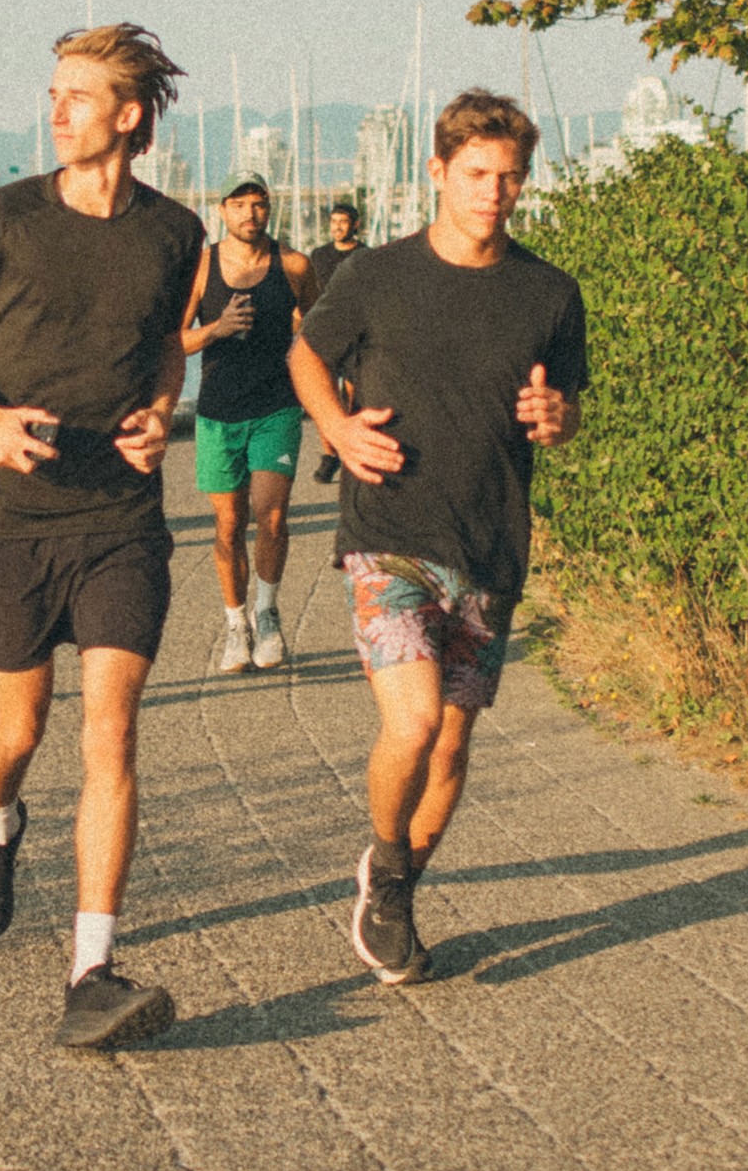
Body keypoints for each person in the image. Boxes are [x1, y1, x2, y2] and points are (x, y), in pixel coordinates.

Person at [0, 22, 202, 1052]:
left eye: (77, 93)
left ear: (129, 114)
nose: (56, 107)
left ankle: (92, 969)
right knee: (17, 734)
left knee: (109, 730)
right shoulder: (2, 219)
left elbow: (166, 348)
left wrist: (165, 411)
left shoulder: (175, 233)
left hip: (120, 516)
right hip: (15, 520)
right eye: (54, 90)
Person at [288, 91, 585, 985]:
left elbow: (562, 410)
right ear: (437, 173)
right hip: (389, 534)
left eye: (510, 177)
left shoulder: (549, 293)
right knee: (413, 726)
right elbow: (306, 351)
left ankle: (397, 883)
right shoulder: (377, 275)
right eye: (477, 175)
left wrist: (556, 418)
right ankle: (385, 863)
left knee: (453, 746)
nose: (495, 193)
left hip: (490, 543)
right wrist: (337, 432)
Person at [181, 176, 314, 671]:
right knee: (228, 524)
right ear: (221, 211)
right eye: (240, 205)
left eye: (259, 205)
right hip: (217, 414)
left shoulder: (295, 265)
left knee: (271, 514)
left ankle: (268, 611)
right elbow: (171, 342)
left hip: (276, 408)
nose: (251, 214)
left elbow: (322, 329)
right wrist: (216, 329)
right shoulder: (201, 268)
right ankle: (236, 625)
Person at [302, 196, 366, 479]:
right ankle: (329, 454)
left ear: (356, 225)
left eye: (343, 222)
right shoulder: (319, 256)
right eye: (334, 222)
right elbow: (310, 293)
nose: (337, 227)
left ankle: (352, 449)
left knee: (353, 396)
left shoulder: (366, 256)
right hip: (325, 331)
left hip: (357, 335)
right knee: (324, 394)